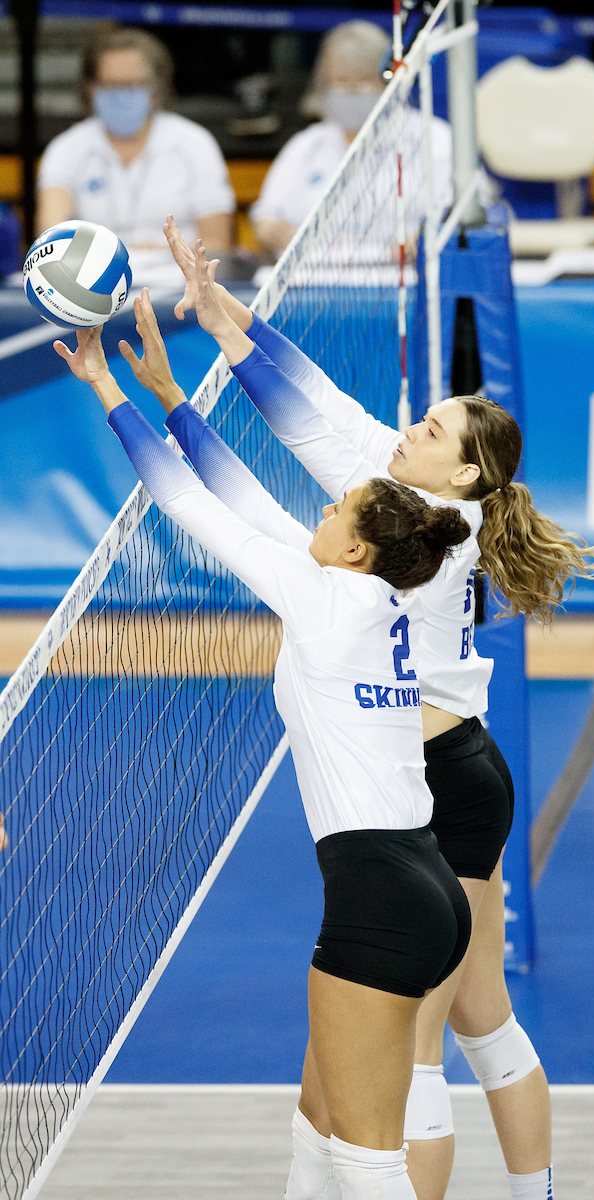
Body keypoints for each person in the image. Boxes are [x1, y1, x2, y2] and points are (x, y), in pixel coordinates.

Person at [163, 217, 594, 1200]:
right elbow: (314, 404)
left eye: (430, 429)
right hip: (460, 767)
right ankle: (533, 1192)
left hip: (444, 790)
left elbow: (305, 429)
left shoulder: (431, 526)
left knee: (416, 1048)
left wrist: (204, 353)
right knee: (479, 1016)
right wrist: (221, 313)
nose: (408, 428)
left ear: (459, 471)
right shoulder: (428, 494)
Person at [55, 299, 473, 1200]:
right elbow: (242, 497)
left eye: (336, 507)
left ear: (357, 546)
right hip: (421, 884)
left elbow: (188, 503)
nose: (319, 507)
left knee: (365, 1158)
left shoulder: (325, 599)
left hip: (381, 896)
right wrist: (167, 394)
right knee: (319, 1132)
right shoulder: (372, 592)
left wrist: (104, 389)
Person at [37, 27, 234, 287]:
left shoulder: (195, 143)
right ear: (91, 89)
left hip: (178, 290)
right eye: (109, 86)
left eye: (132, 85)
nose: (120, 95)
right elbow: (50, 235)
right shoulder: (66, 148)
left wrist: (166, 253)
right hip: (94, 286)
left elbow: (218, 245)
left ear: (155, 90)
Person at [251, 20, 452, 260]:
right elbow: (266, 218)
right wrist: (272, 230)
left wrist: (424, 242)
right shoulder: (306, 146)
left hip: (406, 278)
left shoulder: (435, 139)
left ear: (390, 81)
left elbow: (453, 221)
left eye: (365, 81)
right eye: (342, 82)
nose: (353, 91)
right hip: (314, 282)